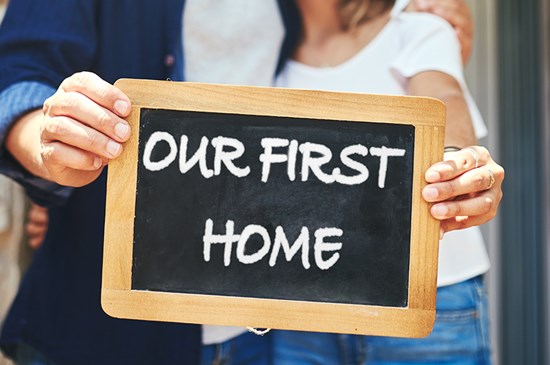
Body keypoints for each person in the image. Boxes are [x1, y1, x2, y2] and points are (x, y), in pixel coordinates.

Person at [0, 1, 503, 365]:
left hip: (279, 324)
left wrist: (458, 163)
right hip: (113, 327)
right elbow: (21, 78)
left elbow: (440, 97)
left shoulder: (340, 21)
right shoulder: (297, 33)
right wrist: (48, 148)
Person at [268, 0, 500, 363]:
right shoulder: (268, 54)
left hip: (425, 300)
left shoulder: (415, 27)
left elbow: (444, 97)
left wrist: (456, 160)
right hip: (303, 309)